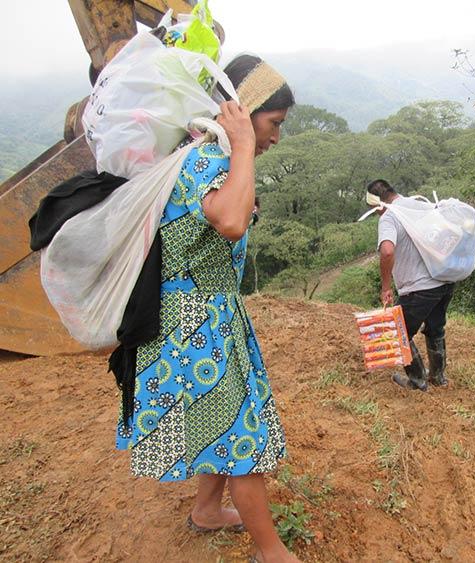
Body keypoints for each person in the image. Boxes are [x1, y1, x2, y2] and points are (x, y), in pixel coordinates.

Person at [114, 54, 299, 563]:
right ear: (242, 111)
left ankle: (206, 510)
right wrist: (242, 146)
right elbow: (233, 222)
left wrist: (241, 152)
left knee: (221, 420)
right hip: (194, 325)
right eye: (273, 124)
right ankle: (273, 552)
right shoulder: (209, 160)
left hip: (207, 317)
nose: (276, 137)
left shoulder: (203, 154)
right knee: (242, 435)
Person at [367, 179, 454, 391]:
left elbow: (387, 251)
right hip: (445, 280)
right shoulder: (420, 205)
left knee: (398, 331)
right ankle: (438, 377)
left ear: (377, 204)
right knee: (435, 328)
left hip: (419, 287)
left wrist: (386, 287)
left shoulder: (389, 216)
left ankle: (417, 380)